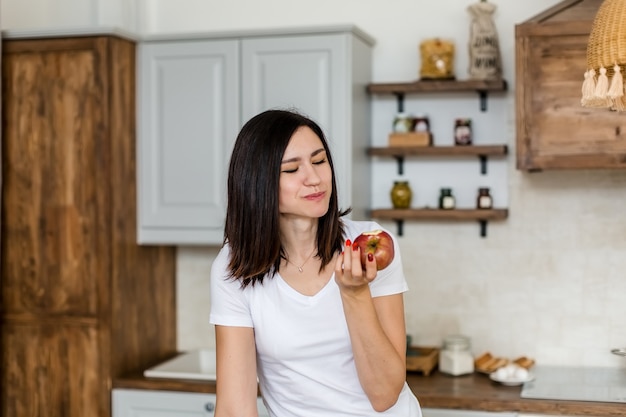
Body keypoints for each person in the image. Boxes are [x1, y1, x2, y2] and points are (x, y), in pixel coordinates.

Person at [209, 109, 421, 417]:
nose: (314, 178)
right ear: (257, 183)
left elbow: (385, 394)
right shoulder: (234, 267)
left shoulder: (369, 245)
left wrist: (354, 293)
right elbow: (233, 408)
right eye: (292, 169)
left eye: (319, 161)